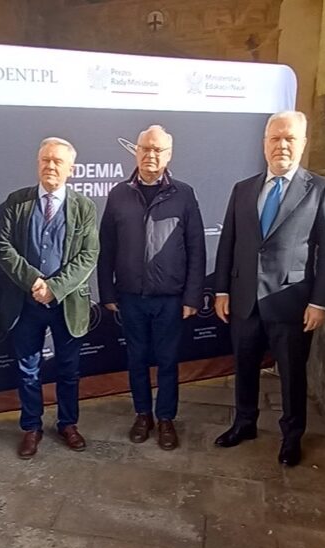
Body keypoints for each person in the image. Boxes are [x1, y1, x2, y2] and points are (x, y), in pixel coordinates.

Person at [213, 111, 325, 466]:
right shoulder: (243, 189)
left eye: (290, 139)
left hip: (292, 302)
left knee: (291, 373)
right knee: (243, 366)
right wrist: (221, 290)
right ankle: (244, 423)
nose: (281, 145)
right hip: (243, 300)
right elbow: (229, 243)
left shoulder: (321, 190)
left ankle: (291, 436)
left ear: (303, 144)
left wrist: (320, 302)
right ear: (264, 144)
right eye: (275, 138)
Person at [98, 125, 205, 450]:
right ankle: (143, 414)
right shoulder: (119, 194)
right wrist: (108, 292)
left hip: (170, 299)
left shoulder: (183, 194)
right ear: (136, 151)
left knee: (169, 362)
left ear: (168, 155)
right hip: (130, 297)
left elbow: (197, 248)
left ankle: (166, 418)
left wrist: (192, 297)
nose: (151, 155)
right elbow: (107, 247)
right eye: (145, 148)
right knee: (137, 360)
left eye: (158, 149)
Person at [0, 137, 100, 459]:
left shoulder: (84, 207)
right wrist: (33, 281)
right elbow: (3, 246)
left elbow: (88, 254)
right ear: (37, 163)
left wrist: (54, 287)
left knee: (68, 369)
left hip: (67, 304)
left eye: (57, 161)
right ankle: (31, 427)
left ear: (71, 168)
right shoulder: (18, 202)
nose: (50, 166)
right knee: (28, 370)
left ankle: (67, 423)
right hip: (25, 304)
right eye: (45, 160)